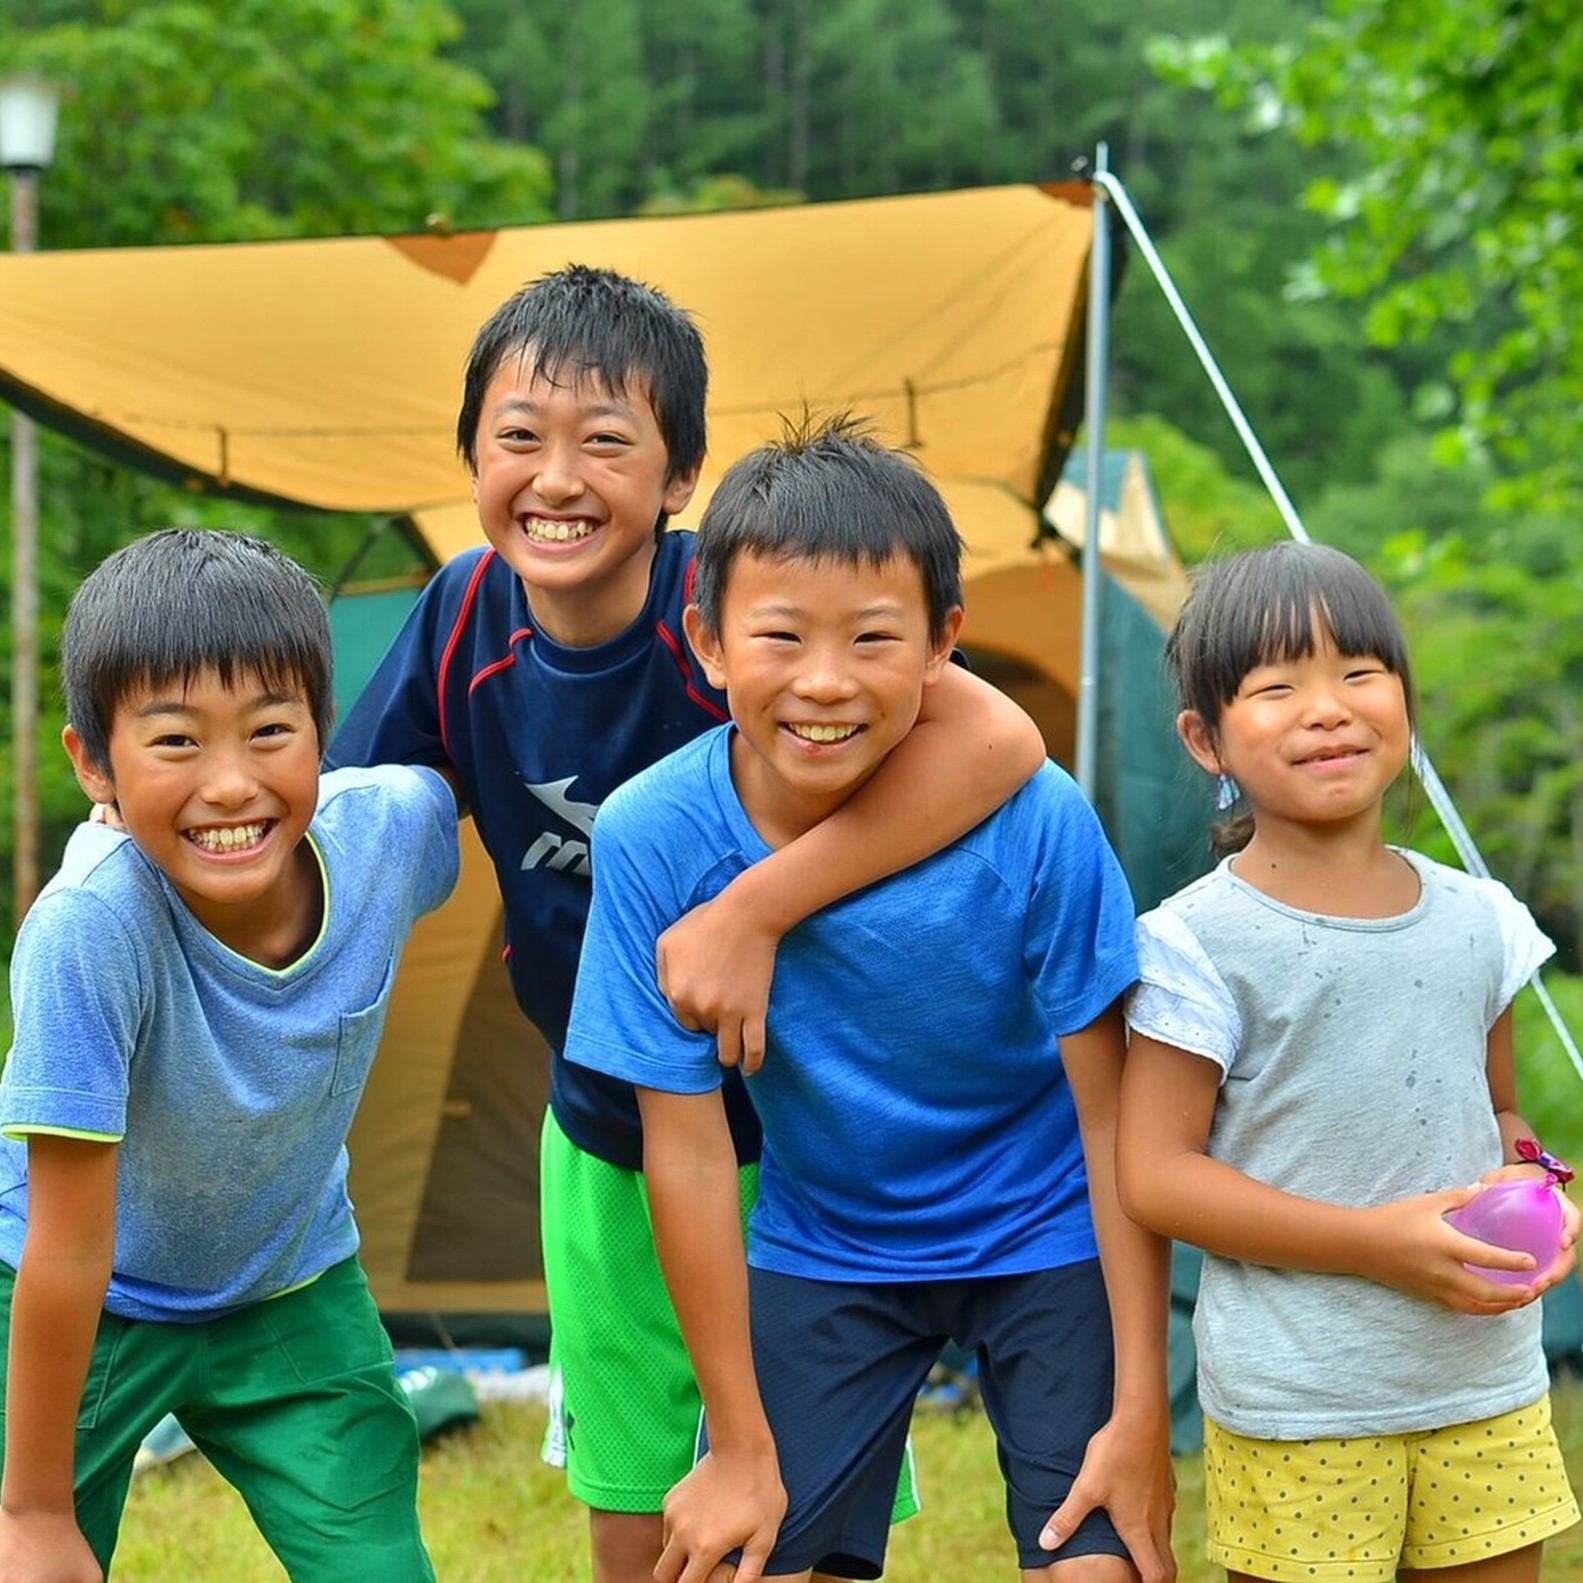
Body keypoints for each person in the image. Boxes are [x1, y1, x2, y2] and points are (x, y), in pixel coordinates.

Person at [324, 265, 1047, 1582]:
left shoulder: (726, 609)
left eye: (606, 440)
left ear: (675, 479)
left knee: (811, 1504)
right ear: (471, 459)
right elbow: (346, 822)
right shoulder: (457, 616)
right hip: (602, 1126)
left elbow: (998, 733)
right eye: (518, 437)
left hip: (805, 1133)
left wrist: (754, 903)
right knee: (636, 1499)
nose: (557, 475)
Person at [563, 416, 1175, 1583]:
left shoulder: (1035, 819)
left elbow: (1113, 1120)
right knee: (739, 1556)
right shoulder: (655, 833)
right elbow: (686, 1153)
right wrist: (740, 1443)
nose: (825, 681)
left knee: (1103, 1563)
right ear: (705, 639)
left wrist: (1139, 1407)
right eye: (780, 635)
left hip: (1044, 1225)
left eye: (873, 638)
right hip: (827, 1235)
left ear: (945, 640)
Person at [1117, 540, 1582, 1583]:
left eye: (1357, 673)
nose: (1325, 707)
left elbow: (1500, 1112)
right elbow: (1153, 1172)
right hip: (1301, 1401)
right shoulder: (1194, 944)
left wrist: (1542, 1189)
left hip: (1486, 1386)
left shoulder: (1480, 920)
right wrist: (1370, 1242)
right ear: (1205, 739)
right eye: (1276, 686)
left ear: (1404, 701)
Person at [0, 529, 459, 1583]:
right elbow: (68, 1244)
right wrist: (29, 1506)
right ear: (92, 763)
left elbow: (524, 769)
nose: (231, 784)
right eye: (174, 742)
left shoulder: (387, 830)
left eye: (269, 730)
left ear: (320, 730)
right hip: (80, 1292)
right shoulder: (90, 927)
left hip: (290, 1283)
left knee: (380, 1566)